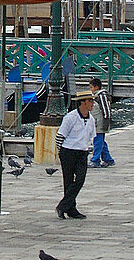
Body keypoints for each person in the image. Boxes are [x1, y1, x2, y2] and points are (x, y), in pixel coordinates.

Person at [55, 90, 96, 219]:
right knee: (68, 181)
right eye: (90, 101)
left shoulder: (91, 119)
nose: (92, 103)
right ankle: (71, 208)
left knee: (80, 179)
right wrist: (61, 153)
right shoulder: (71, 117)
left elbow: (90, 137)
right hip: (68, 151)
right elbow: (60, 136)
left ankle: (63, 206)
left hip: (82, 152)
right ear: (82, 102)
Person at [88, 78, 114, 168]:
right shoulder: (95, 96)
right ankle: (108, 159)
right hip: (96, 122)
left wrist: (106, 121)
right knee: (101, 141)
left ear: (96, 87)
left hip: (100, 122)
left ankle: (95, 160)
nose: (91, 89)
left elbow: (105, 109)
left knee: (97, 141)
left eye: (91, 87)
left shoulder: (101, 96)